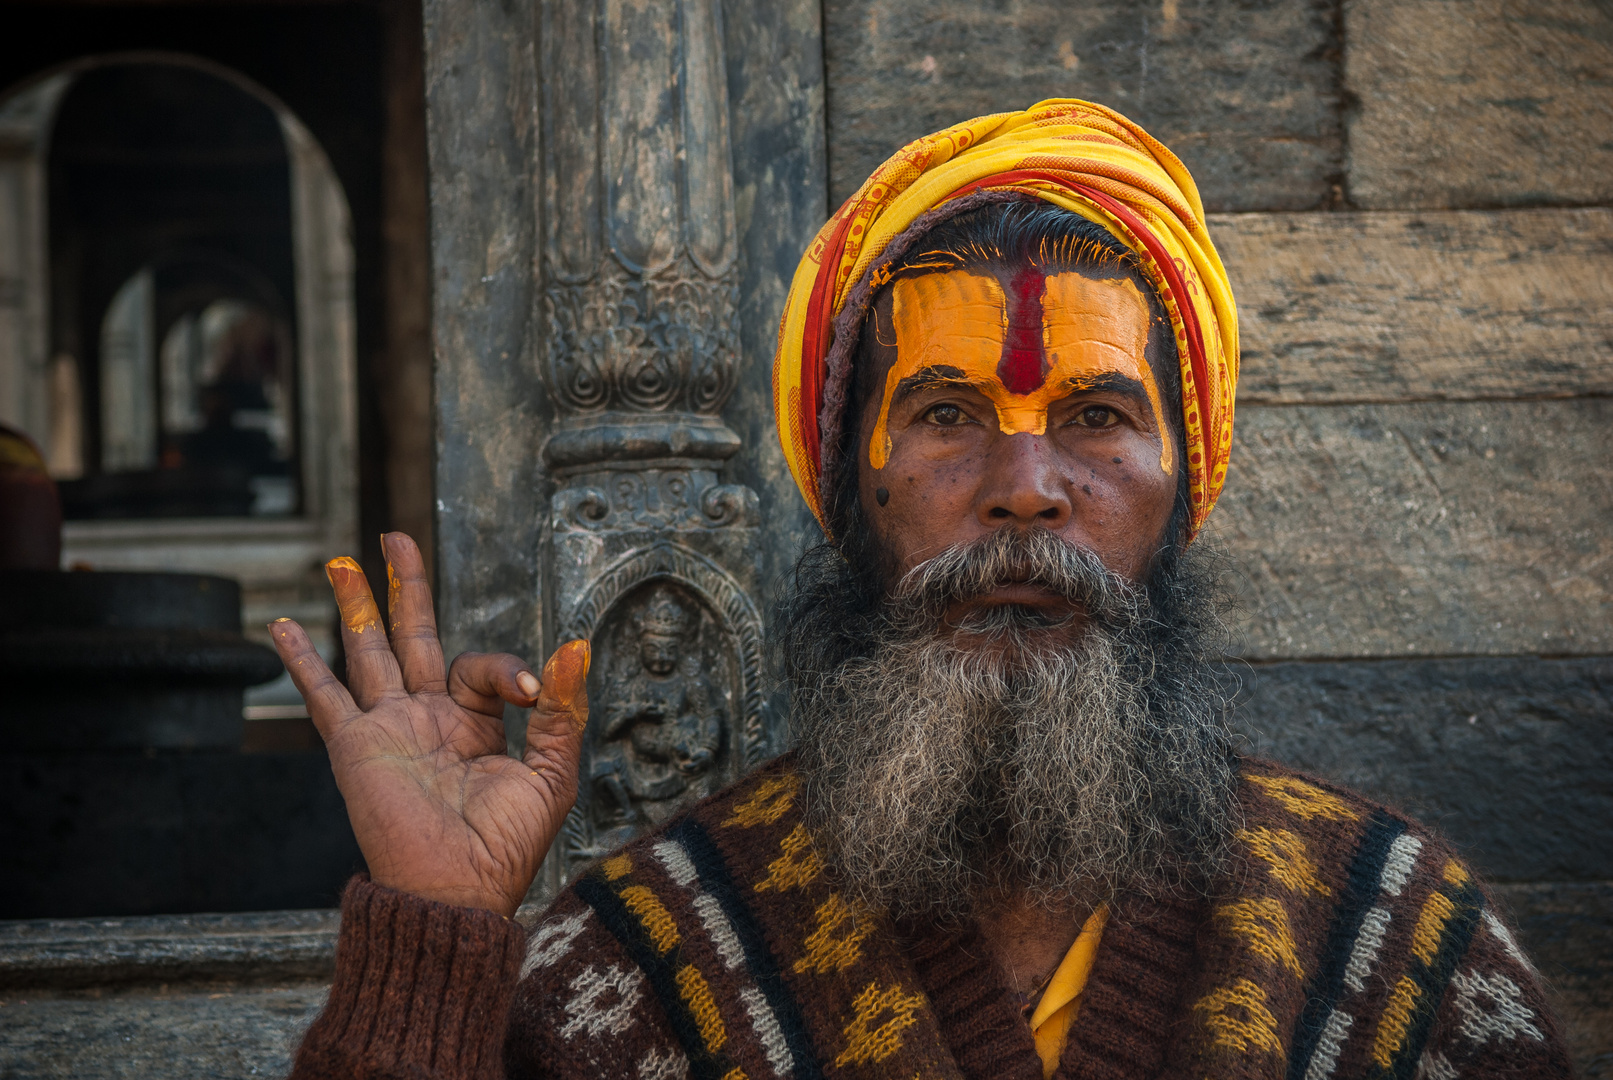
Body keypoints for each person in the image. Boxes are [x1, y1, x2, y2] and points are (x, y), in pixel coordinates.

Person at [272, 101, 1571, 1080]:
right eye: (947, 415)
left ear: (1185, 482)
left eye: (1096, 416)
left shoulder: (1391, 940)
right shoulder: (644, 964)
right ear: (854, 494)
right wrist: (433, 937)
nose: (1023, 488)